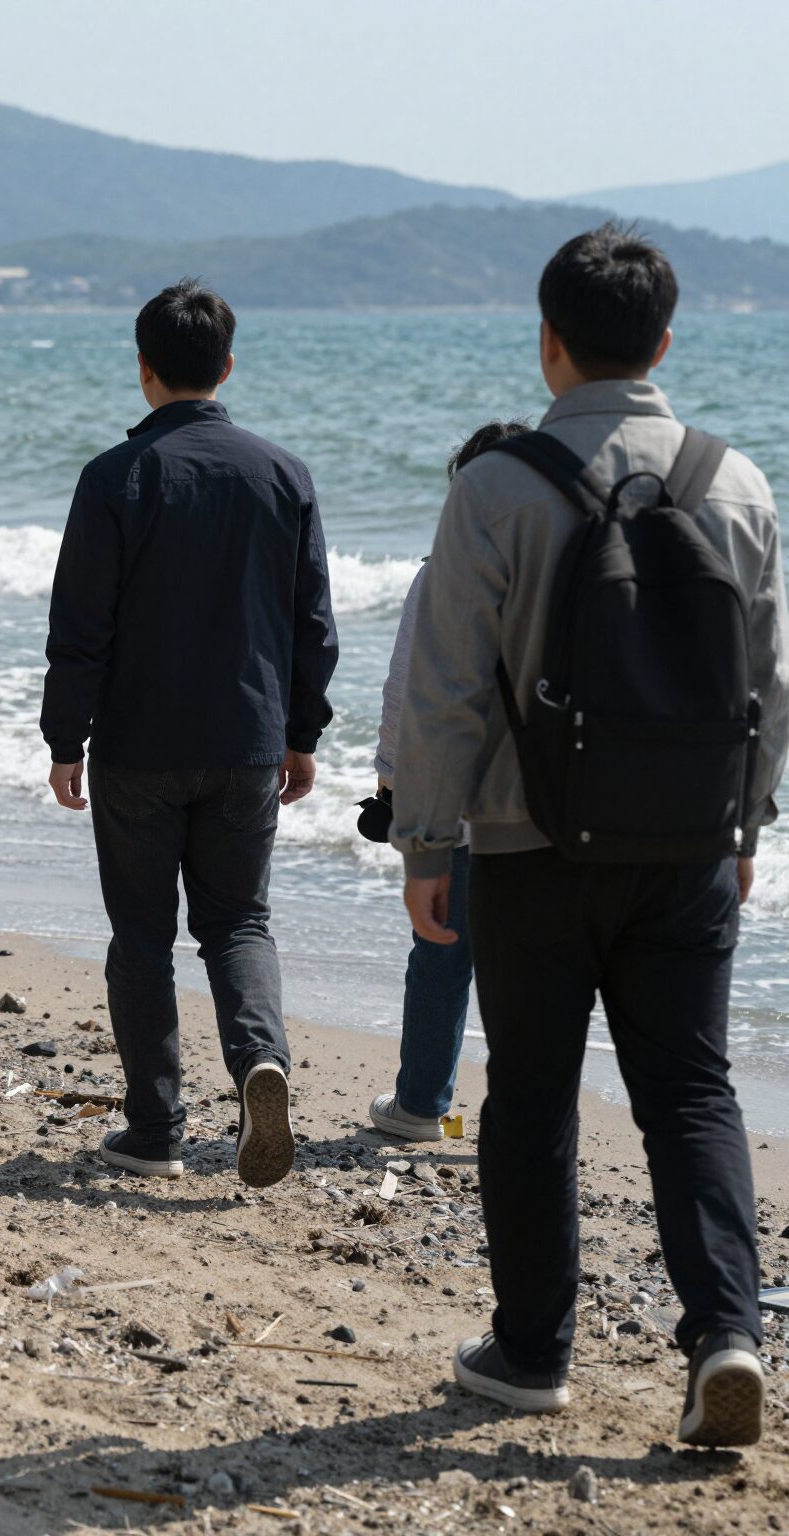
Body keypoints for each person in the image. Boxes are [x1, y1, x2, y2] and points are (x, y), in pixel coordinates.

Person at [391, 226, 788, 1446]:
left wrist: (425, 841)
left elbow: (442, 688)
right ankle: (726, 1330)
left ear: (549, 343)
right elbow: (769, 683)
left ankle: (531, 1351)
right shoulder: (737, 480)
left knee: (532, 1096)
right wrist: (748, 821)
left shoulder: (498, 486)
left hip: (527, 843)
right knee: (692, 1089)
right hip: (685, 848)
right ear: (666, 342)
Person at [40, 278, 338, 1189]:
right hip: (247, 739)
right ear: (228, 366)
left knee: (142, 934)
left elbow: (81, 626)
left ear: (144, 371)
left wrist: (64, 740)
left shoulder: (115, 477)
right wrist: (303, 731)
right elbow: (312, 625)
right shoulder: (283, 473)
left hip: (138, 745)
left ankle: (155, 1129)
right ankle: (259, 1060)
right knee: (239, 921)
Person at [366, 421, 528, 1142]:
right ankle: (527, 1117)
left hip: (459, 809)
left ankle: (422, 1108)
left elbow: (411, 693)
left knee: (440, 953)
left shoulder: (444, 571)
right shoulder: (563, 571)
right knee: (531, 970)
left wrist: (393, 787)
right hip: (543, 811)